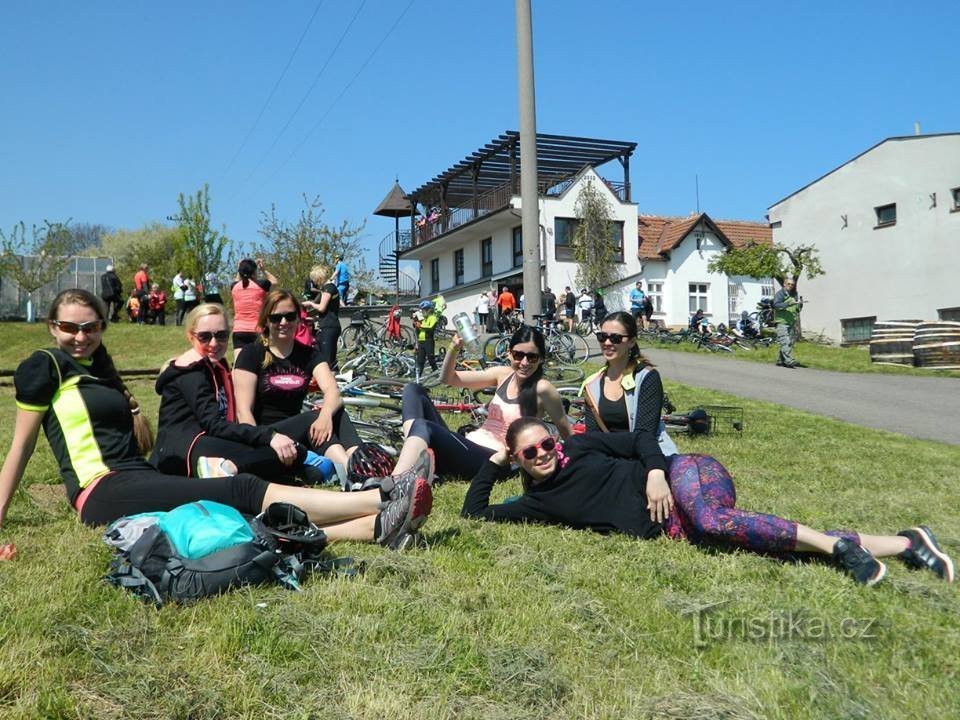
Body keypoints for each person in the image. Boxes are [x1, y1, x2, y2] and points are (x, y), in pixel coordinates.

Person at [0, 289, 432, 551]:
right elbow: (19, 449)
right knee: (238, 491)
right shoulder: (45, 367)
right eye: (69, 328)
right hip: (100, 491)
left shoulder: (101, 371)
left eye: (90, 328)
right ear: (52, 328)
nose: (80, 337)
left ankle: (373, 527)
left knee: (230, 519)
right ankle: (379, 499)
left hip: (135, 476)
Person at [462, 416, 955, 586]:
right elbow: (475, 513)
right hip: (680, 523)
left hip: (687, 476)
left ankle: (841, 552)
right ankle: (905, 543)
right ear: (520, 460)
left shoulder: (584, 445)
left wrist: (656, 473)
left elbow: (639, 440)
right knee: (742, 536)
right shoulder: (535, 505)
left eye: (547, 443)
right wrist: (494, 462)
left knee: (714, 519)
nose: (544, 453)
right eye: (530, 452)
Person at [152, 303, 343, 485]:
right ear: (190, 336)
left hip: (210, 440)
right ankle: (230, 468)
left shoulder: (214, 367)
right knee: (291, 451)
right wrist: (268, 436)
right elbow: (214, 424)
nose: (214, 343)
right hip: (185, 450)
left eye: (221, 336)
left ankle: (337, 466)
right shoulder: (192, 373)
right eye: (204, 337)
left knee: (294, 451)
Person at [392, 325, 572, 480]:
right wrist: (454, 348)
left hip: (494, 458)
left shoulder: (542, 389)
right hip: (468, 445)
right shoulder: (502, 374)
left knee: (424, 426)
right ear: (509, 354)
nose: (524, 362)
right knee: (413, 390)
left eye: (532, 357)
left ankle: (396, 482)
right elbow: (448, 378)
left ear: (541, 359)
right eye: (518, 355)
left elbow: (567, 432)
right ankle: (414, 454)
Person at [234, 290, 359, 472]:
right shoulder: (252, 353)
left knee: (335, 412)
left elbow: (333, 393)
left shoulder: (309, 354)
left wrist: (325, 416)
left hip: (300, 433)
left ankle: (360, 462)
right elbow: (243, 412)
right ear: (266, 320)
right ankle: (354, 471)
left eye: (290, 316)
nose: (284, 323)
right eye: (276, 318)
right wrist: (259, 444)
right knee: (315, 418)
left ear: (298, 319)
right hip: (267, 436)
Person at [580, 312, 677, 455]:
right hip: (607, 459)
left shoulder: (647, 377)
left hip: (645, 457)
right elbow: (593, 435)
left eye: (615, 338)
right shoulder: (592, 385)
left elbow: (644, 435)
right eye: (602, 337)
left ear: (631, 342)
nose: (607, 343)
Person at [231, 258, 277, 360]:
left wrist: (241, 267)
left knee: (238, 362)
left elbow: (237, 280)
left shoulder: (234, 287)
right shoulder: (262, 285)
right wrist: (263, 269)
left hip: (239, 330)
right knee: (261, 361)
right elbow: (274, 281)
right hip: (258, 330)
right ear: (254, 272)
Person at [301, 264, 341, 367]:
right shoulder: (328, 288)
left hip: (329, 327)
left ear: (319, 277)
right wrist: (314, 319)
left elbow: (322, 308)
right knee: (328, 358)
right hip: (329, 325)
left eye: (315, 279)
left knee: (327, 360)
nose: (314, 282)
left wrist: (310, 303)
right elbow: (328, 311)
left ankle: (331, 379)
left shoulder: (328, 288)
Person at [773, 277, 803, 368]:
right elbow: (776, 305)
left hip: (790, 322)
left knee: (789, 342)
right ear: (784, 284)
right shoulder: (780, 294)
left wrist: (800, 305)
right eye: (789, 284)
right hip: (782, 322)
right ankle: (789, 361)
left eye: (792, 284)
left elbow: (796, 309)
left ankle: (780, 360)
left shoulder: (794, 295)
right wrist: (787, 304)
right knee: (785, 342)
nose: (790, 286)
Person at [413, 299, 439, 376]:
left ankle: (437, 375)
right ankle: (418, 377)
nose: (422, 312)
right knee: (420, 360)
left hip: (428, 341)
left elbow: (430, 328)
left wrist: (420, 325)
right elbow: (419, 330)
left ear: (429, 310)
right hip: (421, 341)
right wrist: (416, 324)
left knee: (431, 359)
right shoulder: (424, 319)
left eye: (424, 310)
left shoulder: (433, 318)